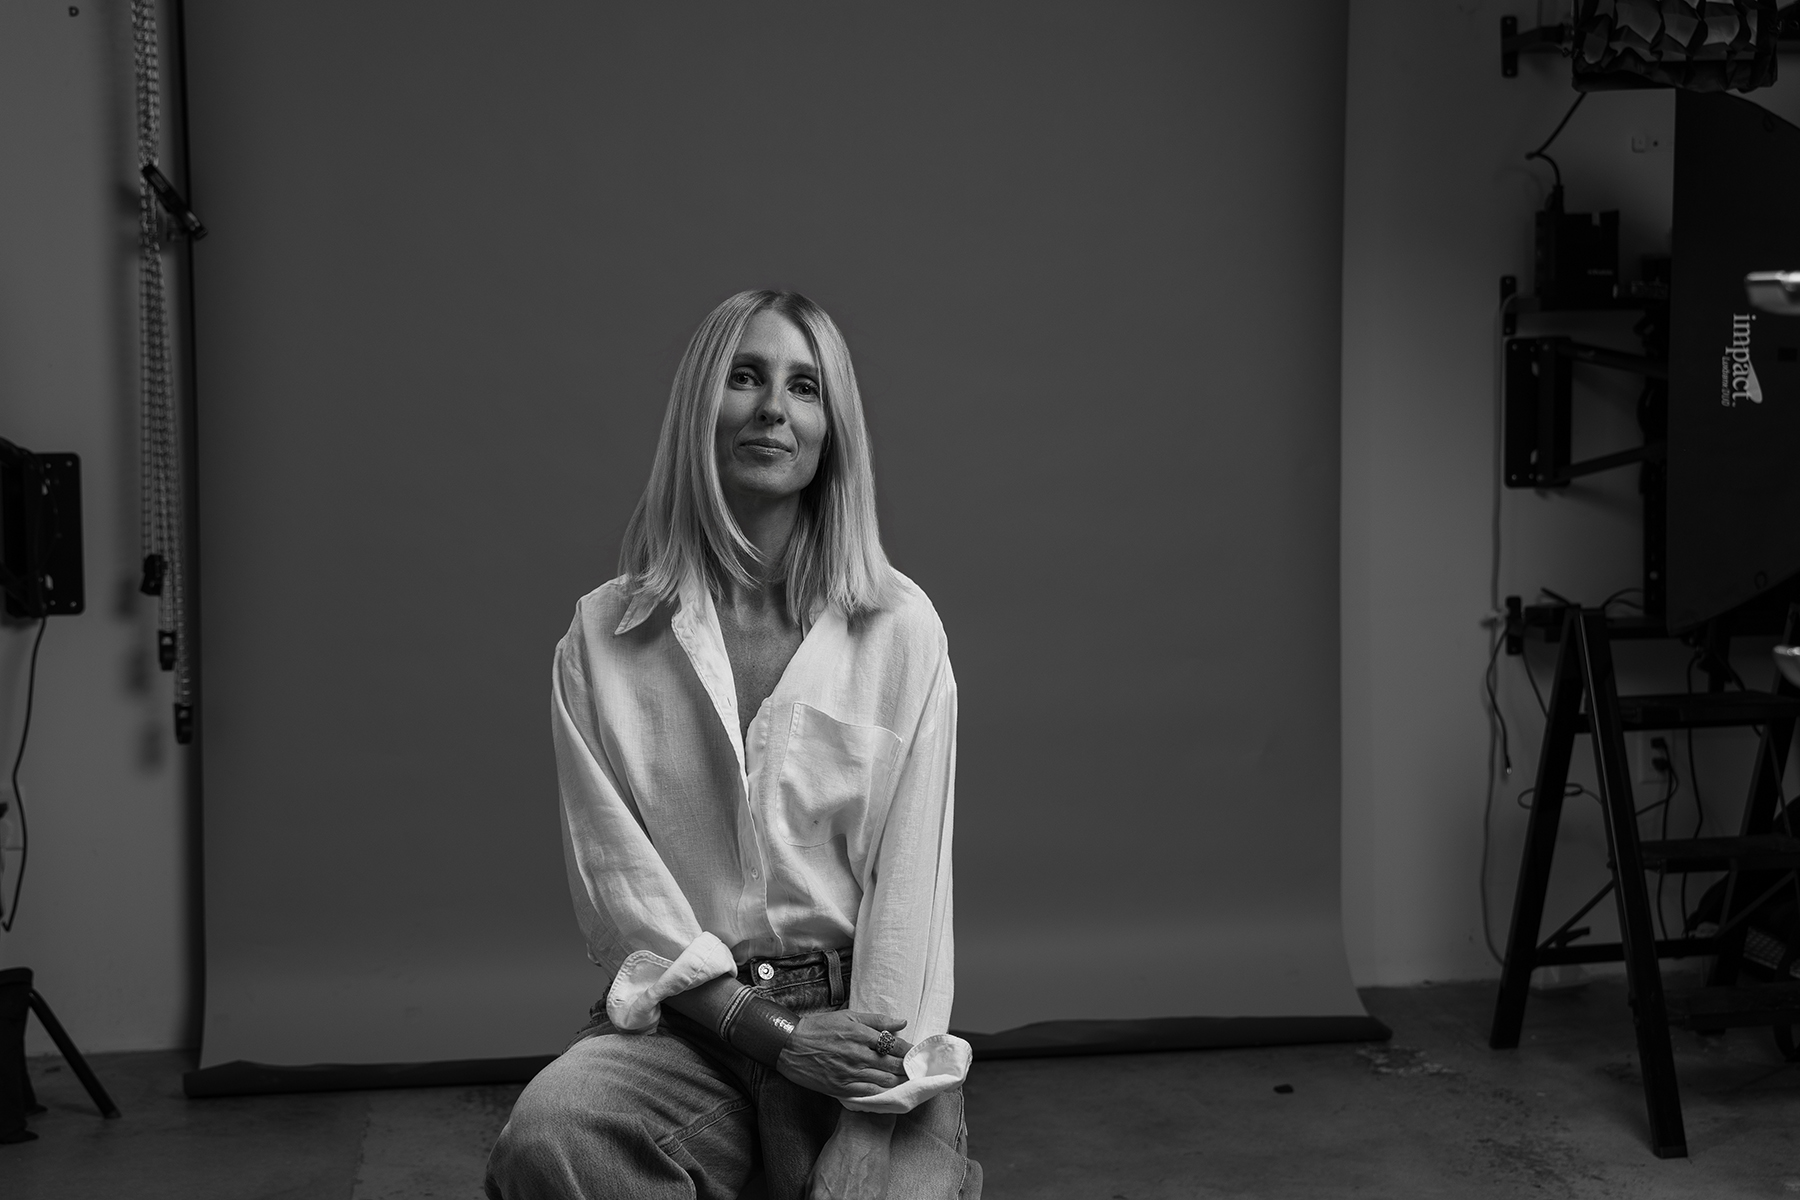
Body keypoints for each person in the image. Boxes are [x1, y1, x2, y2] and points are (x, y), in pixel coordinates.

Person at [485, 290, 979, 1200]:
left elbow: (911, 902)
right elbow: (621, 890)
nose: (772, 409)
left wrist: (865, 1124)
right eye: (744, 377)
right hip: (688, 1025)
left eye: (804, 387)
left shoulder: (901, 631)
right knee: (553, 1139)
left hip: (862, 1021)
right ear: (699, 408)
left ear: (832, 428)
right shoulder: (603, 638)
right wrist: (770, 1035)